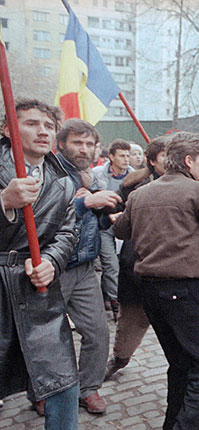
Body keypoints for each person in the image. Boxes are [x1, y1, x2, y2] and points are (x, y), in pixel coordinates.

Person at [114, 132, 199, 430]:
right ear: (189, 160)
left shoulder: (140, 193)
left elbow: (121, 230)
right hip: (183, 292)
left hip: (150, 292)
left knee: (183, 364)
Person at [0, 99, 79, 429]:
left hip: (37, 291)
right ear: (7, 130)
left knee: (63, 382)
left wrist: (51, 261)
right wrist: (4, 201)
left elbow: (67, 231)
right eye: (32, 123)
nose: (43, 131)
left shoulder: (62, 180)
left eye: (49, 126)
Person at [56, 119, 117, 414]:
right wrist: (85, 203)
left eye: (89, 143)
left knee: (97, 332)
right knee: (48, 338)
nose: (84, 149)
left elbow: (93, 222)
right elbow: (47, 216)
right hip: (52, 267)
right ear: (61, 144)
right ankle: (41, 392)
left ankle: (87, 388)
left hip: (84, 267)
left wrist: (105, 214)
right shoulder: (51, 172)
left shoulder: (91, 177)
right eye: (77, 143)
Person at [105, 136, 168, 380]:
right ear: (152, 161)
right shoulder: (135, 187)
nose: (170, 160)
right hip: (138, 265)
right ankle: (119, 358)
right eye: (164, 156)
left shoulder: (190, 184)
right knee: (131, 319)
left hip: (171, 270)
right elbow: (115, 216)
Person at [92, 139, 134, 320]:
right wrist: (106, 215)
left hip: (128, 225)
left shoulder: (134, 176)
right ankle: (116, 304)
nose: (126, 159)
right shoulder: (97, 174)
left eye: (128, 155)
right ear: (111, 157)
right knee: (111, 265)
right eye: (122, 156)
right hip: (105, 226)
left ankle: (129, 300)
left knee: (129, 264)